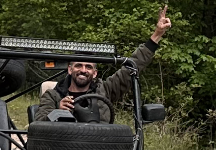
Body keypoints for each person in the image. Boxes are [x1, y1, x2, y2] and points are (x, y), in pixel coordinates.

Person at [38, 6, 173, 120]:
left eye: (89, 67)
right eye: (78, 65)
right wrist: (57, 112)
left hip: (101, 146)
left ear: (95, 73)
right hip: (63, 147)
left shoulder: (105, 90)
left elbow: (131, 68)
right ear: (70, 69)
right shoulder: (53, 95)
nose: (83, 70)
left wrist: (157, 34)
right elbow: (38, 123)